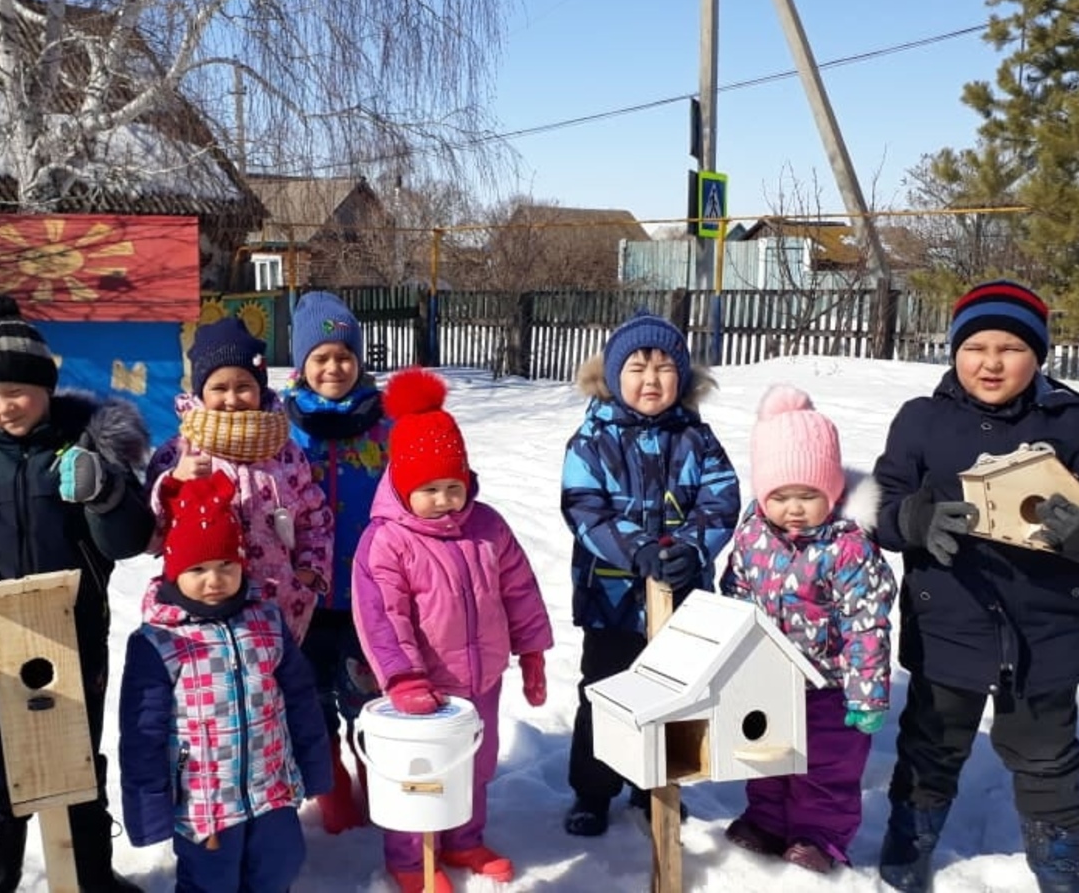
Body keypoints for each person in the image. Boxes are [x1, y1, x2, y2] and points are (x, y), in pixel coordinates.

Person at [871, 280, 1079, 893]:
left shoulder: (1068, 426)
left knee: (1048, 758)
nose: (991, 362)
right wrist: (913, 518)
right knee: (930, 749)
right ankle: (908, 846)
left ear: (1038, 356)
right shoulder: (921, 421)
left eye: (1011, 348)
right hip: (948, 628)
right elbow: (879, 504)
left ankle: (1059, 861)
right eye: (976, 347)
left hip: (1044, 635)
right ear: (954, 351)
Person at [0, 294, 153, 893]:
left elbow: (127, 541)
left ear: (45, 386)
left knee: (76, 760)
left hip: (74, 634)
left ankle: (89, 877)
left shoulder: (86, 443)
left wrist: (104, 493)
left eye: (14, 392)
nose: (3, 408)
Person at [353, 367, 554, 893]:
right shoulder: (387, 542)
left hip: (481, 678)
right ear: (401, 485)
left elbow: (519, 591)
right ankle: (410, 856)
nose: (444, 500)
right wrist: (402, 678)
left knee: (475, 765)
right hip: (423, 688)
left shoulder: (487, 526)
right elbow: (382, 617)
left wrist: (531, 651)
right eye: (429, 489)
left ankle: (465, 838)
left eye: (453, 487)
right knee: (423, 775)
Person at [559, 311, 740, 836]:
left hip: (680, 597)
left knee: (671, 696)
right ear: (615, 375)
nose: (652, 379)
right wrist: (636, 549)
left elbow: (722, 499)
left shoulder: (697, 438)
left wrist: (692, 548)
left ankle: (654, 784)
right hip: (611, 601)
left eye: (664, 368)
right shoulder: (592, 439)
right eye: (638, 367)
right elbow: (583, 508)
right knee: (606, 692)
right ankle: (592, 791)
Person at [119, 472, 331, 893]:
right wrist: (149, 809)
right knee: (210, 881)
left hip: (272, 788)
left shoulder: (267, 621)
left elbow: (302, 700)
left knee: (280, 866)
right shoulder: (160, 641)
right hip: (203, 802)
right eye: (198, 569)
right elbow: (142, 734)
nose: (214, 580)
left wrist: (315, 768)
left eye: (225, 566)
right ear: (175, 571)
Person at [719, 384, 897, 873]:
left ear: (833, 491)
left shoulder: (848, 547)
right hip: (769, 677)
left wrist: (866, 696)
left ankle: (820, 836)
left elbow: (867, 625)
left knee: (826, 766)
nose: (793, 507)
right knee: (767, 754)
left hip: (831, 685)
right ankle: (768, 821)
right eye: (780, 495)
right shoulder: (753, 533)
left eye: (808, 495)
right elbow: (735, 590)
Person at [144, 316, 333, 643]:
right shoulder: (178, 453)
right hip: (206, 606)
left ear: (260, 389)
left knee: (282, 687)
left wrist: (308, 572)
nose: (232, 399)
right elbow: (152, 539)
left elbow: (315, 519)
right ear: (201, 391)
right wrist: (174, 481)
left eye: (243, 386)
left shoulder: (286, 453)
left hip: (282, 605)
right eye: (219, 387)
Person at [281, 291, 391, 833]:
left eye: (344, 355)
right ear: (302, 363)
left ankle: (378, 778)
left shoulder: (384, 422)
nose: (334, 367)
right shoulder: (279, 425)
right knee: (309, 700)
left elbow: (424, 475)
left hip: (370, 594)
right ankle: (332, 789)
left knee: (369, 698)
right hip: (298, 596)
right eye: (320, 357)